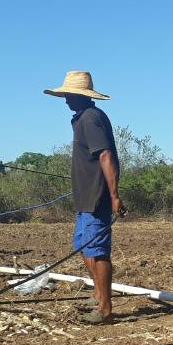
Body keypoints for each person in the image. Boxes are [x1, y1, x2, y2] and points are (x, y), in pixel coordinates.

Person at [44, 70, 126, 324]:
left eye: (69, 94)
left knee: (98, 251)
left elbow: (105, 156)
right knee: (83, 246)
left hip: (96, 197)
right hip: (84, 197)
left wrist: (113, 195)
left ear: (81, 96)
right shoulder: (82, 118)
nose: (66, 99)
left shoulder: (90, 118)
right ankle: (98, 294)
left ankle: (105, 308)